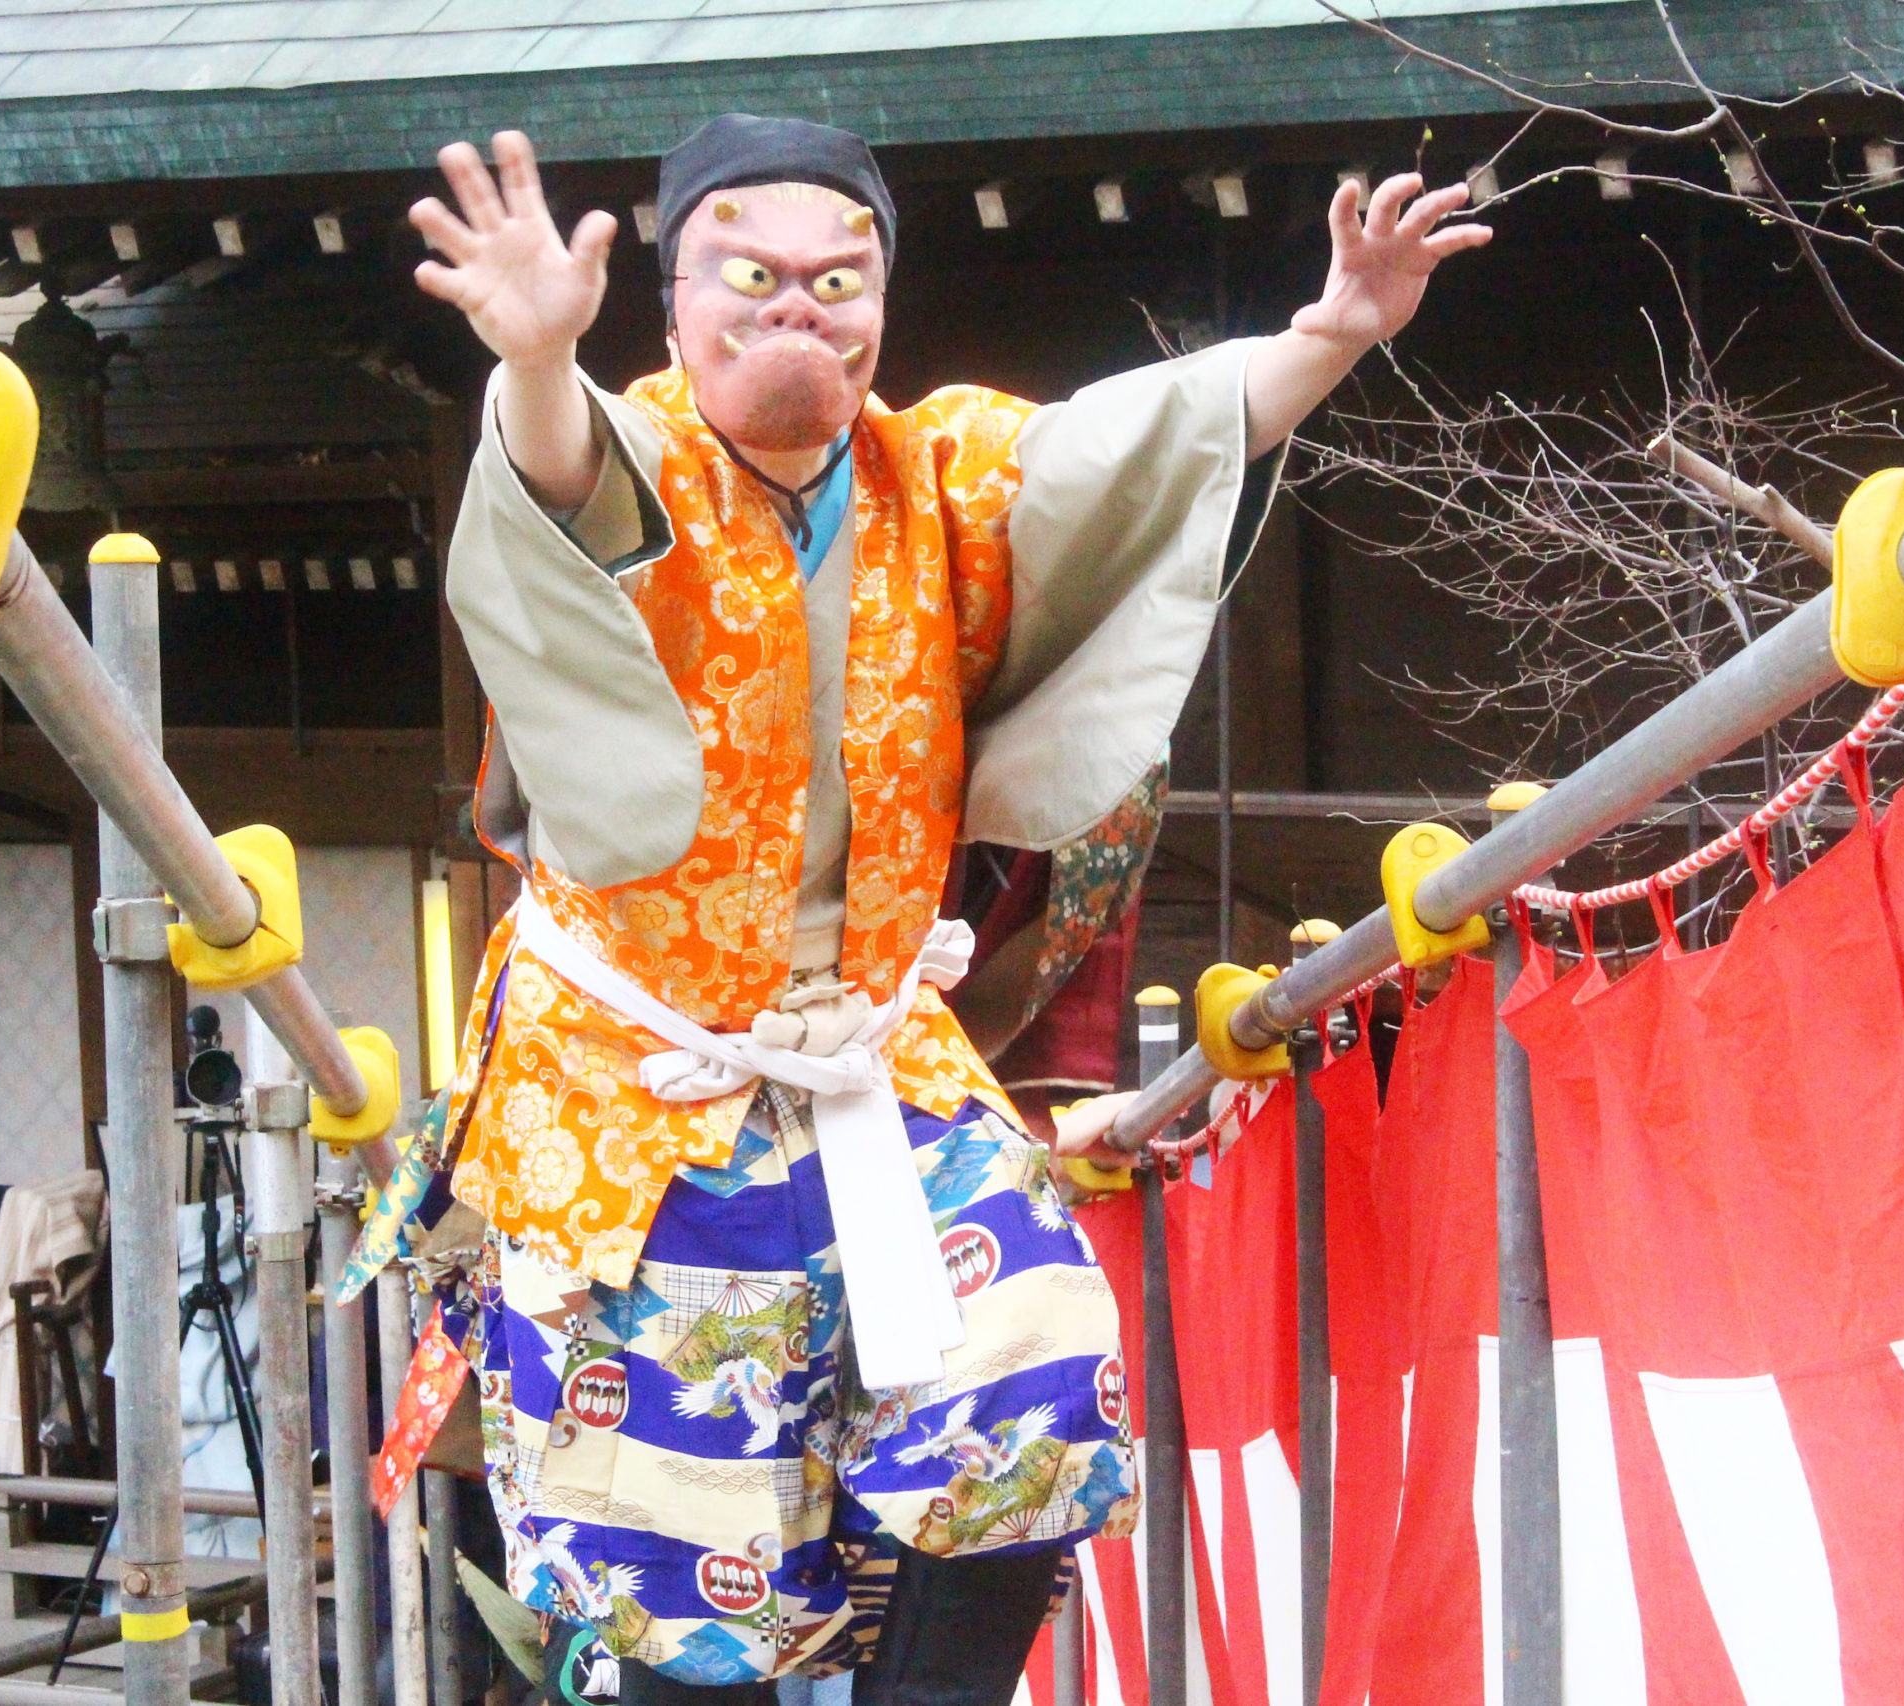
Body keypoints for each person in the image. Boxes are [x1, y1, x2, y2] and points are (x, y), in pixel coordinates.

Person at [408, 114, 1489, 1706]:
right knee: (678, 1522)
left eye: (837, 278)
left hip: (870, 1048)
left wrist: (1330, 330)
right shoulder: (624, 440)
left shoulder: (939, 470)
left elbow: (1146, 440)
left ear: (882, 304)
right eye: (751, 274)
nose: (798, 307)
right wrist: (534, 362)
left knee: (1040, 1370)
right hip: (634, 1072)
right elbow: (555, 481)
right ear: (675, 294)